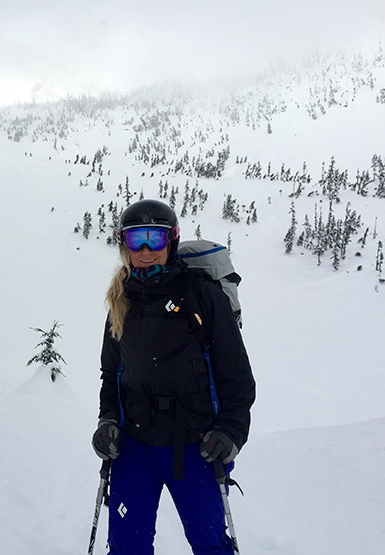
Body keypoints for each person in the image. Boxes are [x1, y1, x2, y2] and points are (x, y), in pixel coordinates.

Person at [91, 199, 255, 554]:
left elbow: (237, 379)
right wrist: (108, 421)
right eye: (137, 240)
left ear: (172, 241)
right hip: (134, 449)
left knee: (210, 545)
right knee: (126, 547)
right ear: (124, 246)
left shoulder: (203, 297)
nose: (146, 250)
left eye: (156, 238)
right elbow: (111, 375)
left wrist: (229, 432)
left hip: (195, 448)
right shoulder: (121, 302)